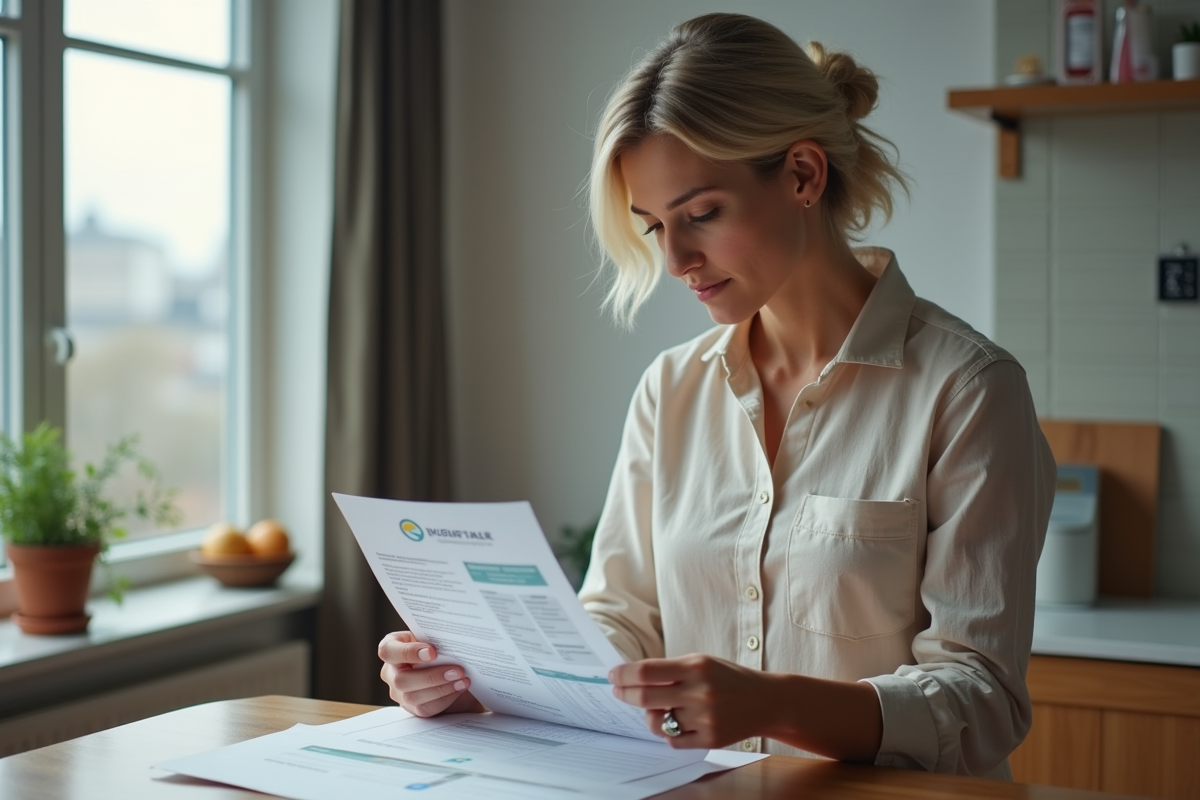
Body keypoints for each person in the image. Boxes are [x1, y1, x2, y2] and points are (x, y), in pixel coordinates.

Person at [378, 12, 1055, 779]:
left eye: (702, 215)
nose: (674, 259)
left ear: (803, 175)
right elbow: (622, 619)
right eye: (654, 226)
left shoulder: (967, 390)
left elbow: (981, 700)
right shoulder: (671, 387)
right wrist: (479, 681)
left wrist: (773, 704)